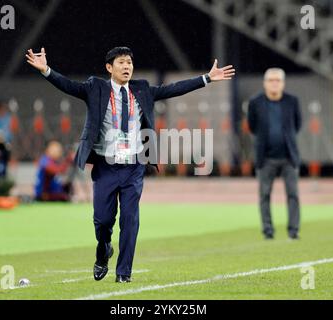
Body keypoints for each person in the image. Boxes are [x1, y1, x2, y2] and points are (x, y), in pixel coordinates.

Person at [26, 46, 235, 283]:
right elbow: (69, 86)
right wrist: (46, 70)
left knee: (130, 220)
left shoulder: (142, 89)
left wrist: (206, 78)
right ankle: (103, 249)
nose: (127, 67)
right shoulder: (96, 87)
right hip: (106, 166)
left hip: (134, 166)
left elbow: (173, 89)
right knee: (103, 221)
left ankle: (123, 274)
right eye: (122, 63)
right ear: (109, 67)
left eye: (129, 63)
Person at [247, 68, 302, 240]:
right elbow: (252, 126)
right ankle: (268, 230)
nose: (274, 83)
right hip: (266, 157)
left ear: (283, 83)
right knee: (264, 195)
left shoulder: (292, 101)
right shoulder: (255, 102)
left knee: (293, 194)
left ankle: (293, 231)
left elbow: (297, 124)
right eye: (271, 80)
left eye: (277, 80)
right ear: (264, 83)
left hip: (288, 156)